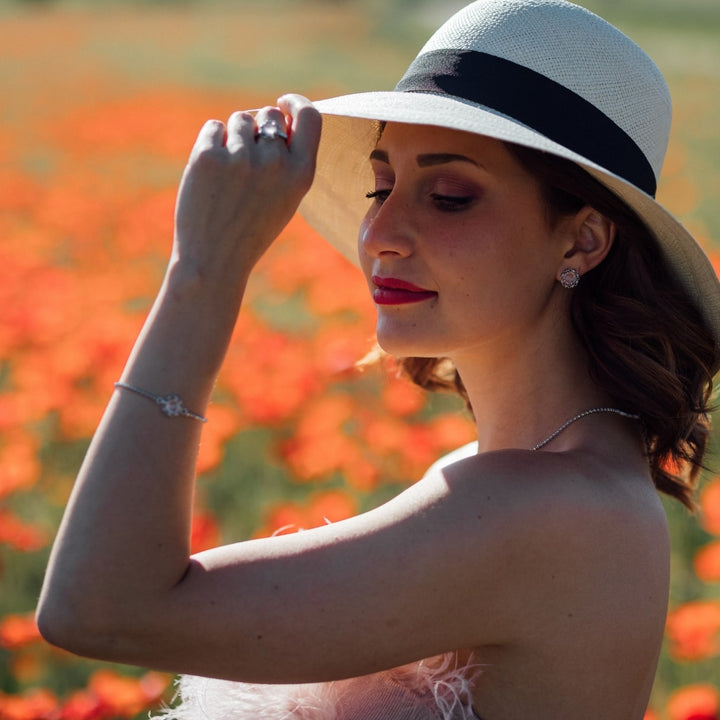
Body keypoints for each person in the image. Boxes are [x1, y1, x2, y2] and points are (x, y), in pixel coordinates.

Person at [37, 0, 720, 718]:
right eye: (380, 185)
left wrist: (204, 272)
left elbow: (100, 607)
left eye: (450, 196)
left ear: (581, 241)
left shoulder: (555, 509)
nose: (382, 233)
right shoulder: (508, 479)